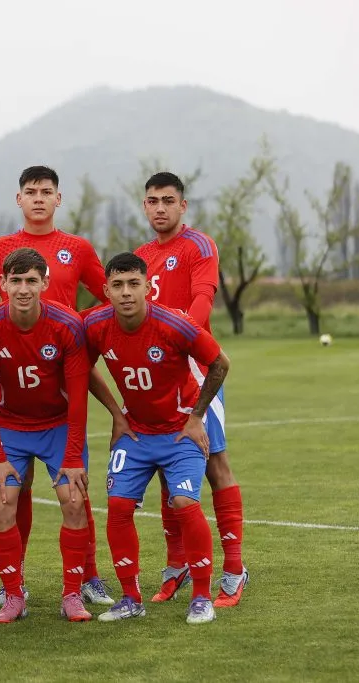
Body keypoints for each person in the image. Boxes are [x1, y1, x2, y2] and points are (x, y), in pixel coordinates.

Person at [0, 166, 112, 608]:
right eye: (30, 192)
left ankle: (87, 576)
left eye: (46, 192)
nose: (38, 199)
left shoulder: (77, 248)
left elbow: (110, 296)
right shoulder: (0, 249)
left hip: (63, 367)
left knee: (75, 489)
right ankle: (13, 586)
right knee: (12, 490)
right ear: (18, 199)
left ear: (60, 199)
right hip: (12, 382)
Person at [83, 252, 230, 625]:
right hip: (136, 432)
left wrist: (197, 417)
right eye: (117, 285)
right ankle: (130, 598)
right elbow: (79, 368)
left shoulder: (173, 324)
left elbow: (220, 363)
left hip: (179, 432)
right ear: (106, 291)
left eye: (134, 284)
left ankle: (201, 597)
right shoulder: (96, 325)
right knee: (117, 507)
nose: (126, 293)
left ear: (148, 287)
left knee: (183, 500)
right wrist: (117, 414)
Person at [134, 172, 247, 607]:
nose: (159, 207)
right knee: (166, 468)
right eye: (151, 201)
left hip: (196, 371)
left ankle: (234, 569)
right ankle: (177, 565)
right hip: (155, 376)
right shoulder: (141, 256)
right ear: (144, 207)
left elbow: (202, 301)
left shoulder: (199, 246)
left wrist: (174, 338)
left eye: (167, 200)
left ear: (183, 206)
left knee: (215, 464)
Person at [0, 248, 93, 623]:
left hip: (58, 426)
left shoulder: (67, 325)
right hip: (10, 426)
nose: (23, 289)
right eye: (16, 281)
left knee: (73, 500)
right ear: (3, 284)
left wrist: (73, 456)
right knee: (2, 502)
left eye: (31, 281)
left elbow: (77, 398)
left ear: (44, 282)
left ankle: (72, 595)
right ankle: (14, 596)